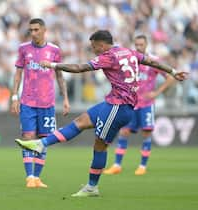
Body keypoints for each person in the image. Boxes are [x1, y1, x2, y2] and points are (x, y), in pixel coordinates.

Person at [15, 30, 188, 197]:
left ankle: (92, 187)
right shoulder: (128, 51)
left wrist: (53, 65)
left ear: (102, 45)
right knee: (81, 121)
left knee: (100, 145)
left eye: (94, 47)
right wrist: (173, 71)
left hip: (119, 107)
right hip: (113, 102)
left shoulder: (108, 56)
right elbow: (152, 62)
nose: (93, 50)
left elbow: (79, 68)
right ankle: (41, 144)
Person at [10, 18, 70, 188]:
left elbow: (59, 75)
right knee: (28, 137)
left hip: (47, 102)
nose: (33, 33)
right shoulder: (23, 49)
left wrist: (65, 98)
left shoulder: (54, 50)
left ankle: (37, 178)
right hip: (28, 101)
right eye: (31, 30)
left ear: (44, 30)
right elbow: (18, 74)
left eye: (36, 30)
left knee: (44, 140)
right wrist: (14, 96)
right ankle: (29, 176)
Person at [103, 35, 175, 176]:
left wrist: (156, 92)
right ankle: (117, 165)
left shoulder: (153, 61)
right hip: (131, 103)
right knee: (124, 132)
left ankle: (142, 166)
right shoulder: (131, 59)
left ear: (146, 44)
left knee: (146, 133)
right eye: (136, 44)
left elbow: (170, 78)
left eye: (141, 44)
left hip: (147, 104)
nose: (138, 47)